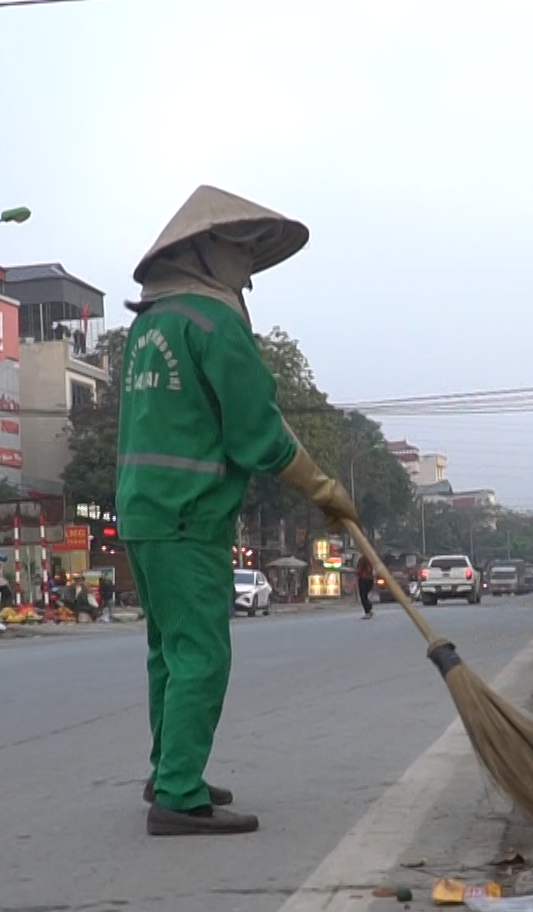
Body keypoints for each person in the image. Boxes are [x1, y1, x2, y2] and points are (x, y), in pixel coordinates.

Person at [118, 185, 358, 836]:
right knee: (200, 654)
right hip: (189, 515)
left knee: (168, 651)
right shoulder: (214, 325)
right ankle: (176, 793)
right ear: (202, 248)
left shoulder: (149, 326)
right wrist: (323, 489)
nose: (249, 262)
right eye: (239, 245)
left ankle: (171, 769)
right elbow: (258, 432)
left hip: (142, 513)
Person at [355, 554, 375, 619]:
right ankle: (369, 608)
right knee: (364, 595)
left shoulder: (363, 559)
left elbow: (360, 569)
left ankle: (368, 611)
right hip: (369, 578)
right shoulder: (371, 558)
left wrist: (358, 573)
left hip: (364, 578)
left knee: (363, 596)